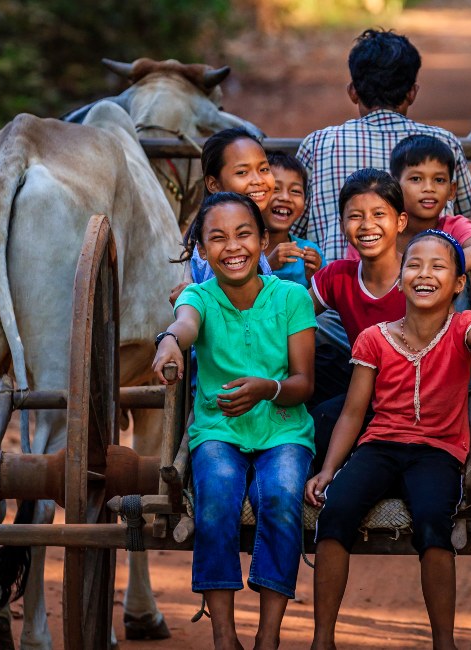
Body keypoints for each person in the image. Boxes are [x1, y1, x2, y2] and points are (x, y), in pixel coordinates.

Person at [305, 230, 471, 650]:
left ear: (457, 283)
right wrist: (328, 470)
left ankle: (443, 642)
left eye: (438, 266)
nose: (424, 274)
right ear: (400, 279)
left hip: (437, 453)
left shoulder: (464, 327)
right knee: (335, 513)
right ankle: (322, 639)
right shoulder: (374, 338)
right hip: (378, 447)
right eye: (414, 265)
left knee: (435, 521)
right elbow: (353, 413)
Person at [152, 192, 317, 650]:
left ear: (264, 241)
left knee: (283, 498)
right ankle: (223, 633)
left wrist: (268, 389)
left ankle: (269, 634)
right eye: (217, 238)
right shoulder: (198, 296)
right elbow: (185, 323)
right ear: (201, 252)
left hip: (284, 426)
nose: (233, 246)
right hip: (218, 429)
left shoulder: (292, 298)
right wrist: (169, 341)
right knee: (216, 497)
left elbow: (304, 383)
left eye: (244, 234)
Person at [293, 28, 471, 265]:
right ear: (412, 93)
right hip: (427, 289)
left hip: (333, 294)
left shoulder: (317, 144)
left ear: (353, 92)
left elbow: (293, 227)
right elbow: (468, 218)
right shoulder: (444, 143)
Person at [307, 168, 408, 467]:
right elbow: (291, 316)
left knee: (324, 422)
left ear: (400, 221)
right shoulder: (338, 275)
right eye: (355, 216)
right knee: (319, 362)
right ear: (341, 224)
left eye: (379, 214)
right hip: (361, 387)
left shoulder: (417, 277)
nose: (367, 225)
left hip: (407, 399)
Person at [347, 134, 471, 272]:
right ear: (395, 186)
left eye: (439, 180)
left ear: (451, 190)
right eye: (416, 179)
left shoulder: (453, 227)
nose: (429, 188)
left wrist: (436, 267)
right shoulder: (377, 229)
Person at [169, 127, 276, 305]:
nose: (258, 180)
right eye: (242, 172)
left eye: (264, 169)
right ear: (214, 184)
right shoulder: (221, 250)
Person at [264, 151, 323, 288]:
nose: (285, 197)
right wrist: (267, 266)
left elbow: (324, 303)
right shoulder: (245, 249)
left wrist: (314, 278)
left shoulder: (309, 252)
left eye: (295, 191)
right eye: (275, 189)